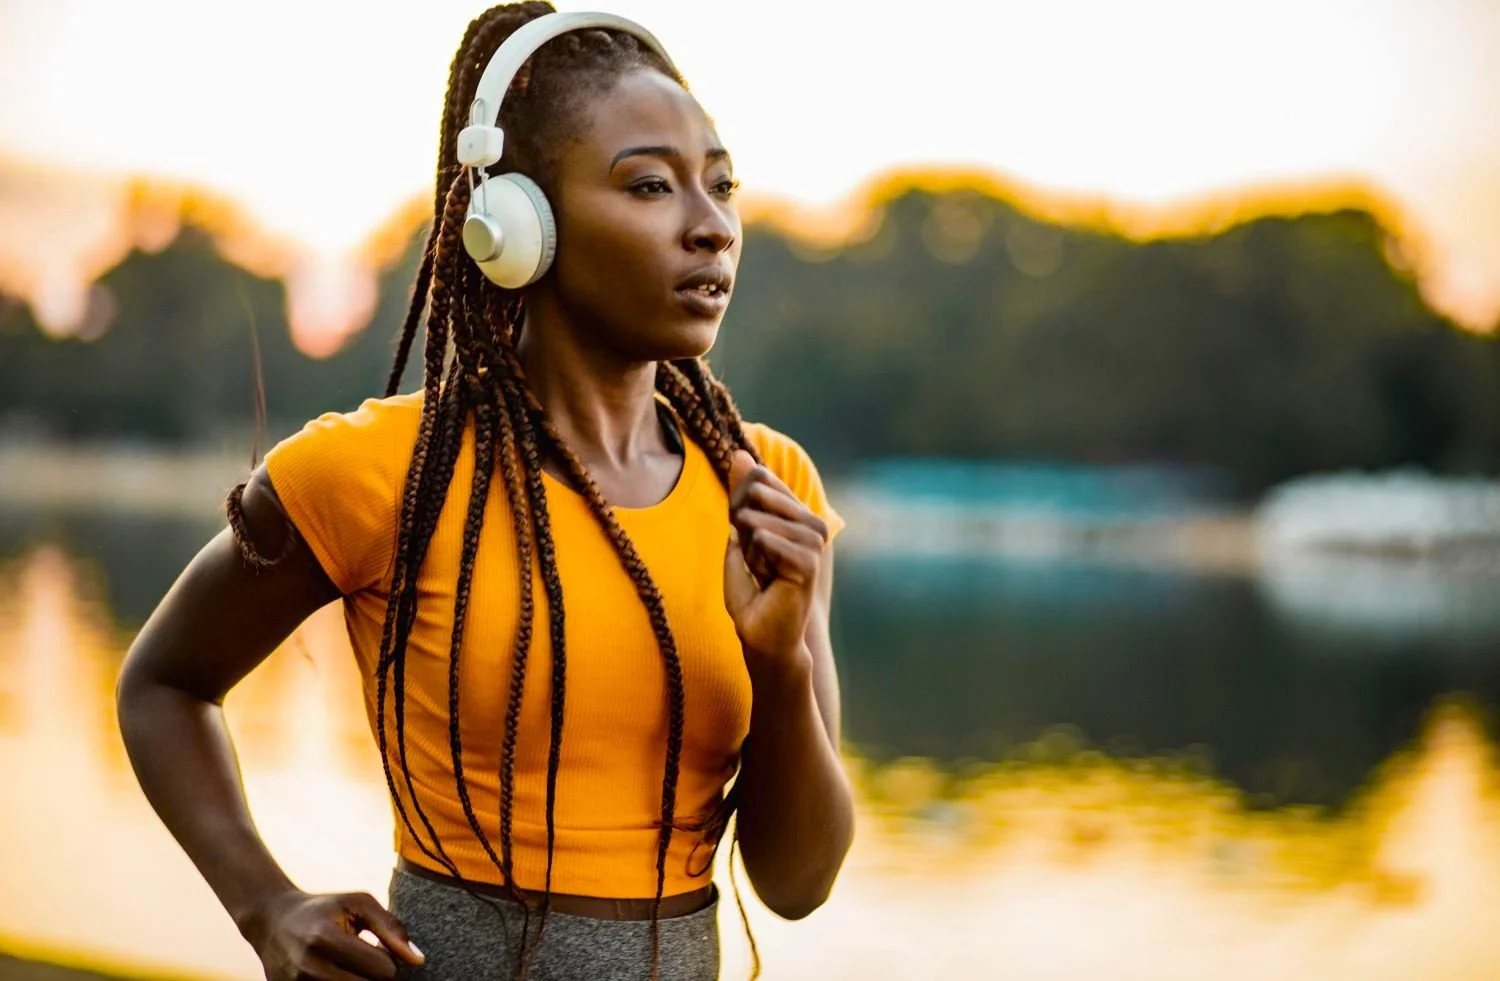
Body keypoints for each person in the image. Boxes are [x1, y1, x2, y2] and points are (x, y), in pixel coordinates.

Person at [114, 4, 855, 979]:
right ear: (515, 226)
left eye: (721, 187)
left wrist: (782, 666)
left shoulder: (768, 494)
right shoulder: (380, 473)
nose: (711, 228)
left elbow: (798, 884)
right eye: (650, 186)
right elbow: (163, 687)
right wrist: (266, 906)